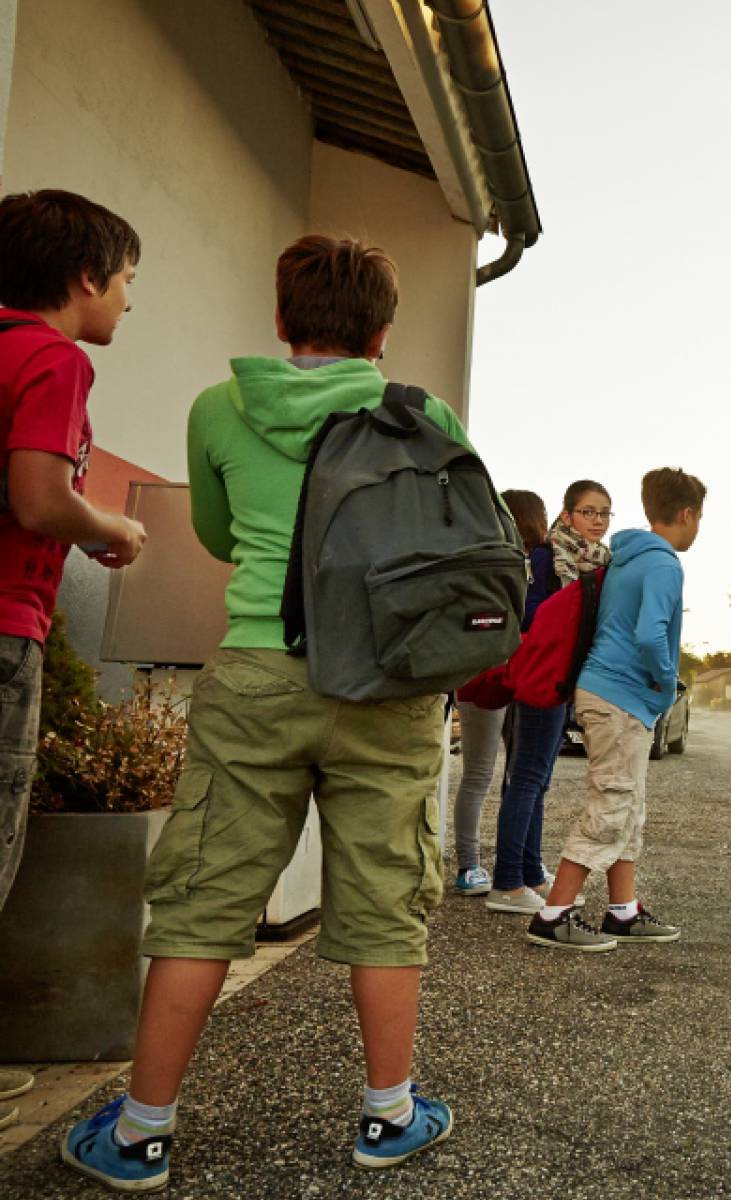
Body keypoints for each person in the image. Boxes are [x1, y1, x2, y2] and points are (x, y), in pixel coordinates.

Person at [63, 236, 469, 1190]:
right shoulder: (424, 413)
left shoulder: (219, 406)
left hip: (254, 675)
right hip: (386, 680)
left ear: (281, 319)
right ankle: (389, 1115)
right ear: (381, 333)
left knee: (204, 898)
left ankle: (139, 1134)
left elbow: (212, 531)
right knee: (386, 896)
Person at [0, 188, 146, 1139]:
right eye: (128, 279)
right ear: (85, 276)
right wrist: (115, 528)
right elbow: (42, 497)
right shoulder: (50, 357)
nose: (131, 302)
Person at [526, 467, 703, 951]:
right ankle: (554, 913)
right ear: (686, 514)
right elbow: (650, 635)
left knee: (628, 805)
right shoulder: (664, 565)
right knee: (612, 802)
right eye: (699, 517)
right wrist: (666, 686)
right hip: (622, 697)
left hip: (603, 691)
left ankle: (622, 911)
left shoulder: (622, 557)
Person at [484, 479, 611, 915]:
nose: (597, 520)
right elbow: (528, 612)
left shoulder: (591, 561)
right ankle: (507, 884)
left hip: (561, 679)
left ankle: (530, 870)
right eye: (588, 511)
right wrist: (568, 609)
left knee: (538, 780)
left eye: (604, 513)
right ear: (566, 515)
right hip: (542, 676)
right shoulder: (546, 556)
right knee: (526, 778)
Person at [448, 489, 553, 897]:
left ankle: (484, 865)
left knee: (501, 774)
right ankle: (473, 864)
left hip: (491, 673)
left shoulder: (498, 561)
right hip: (493, 674)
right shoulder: (517, 564)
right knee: (497, 773)